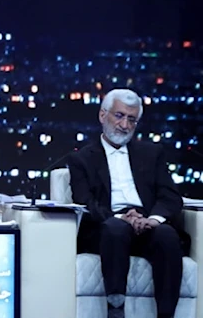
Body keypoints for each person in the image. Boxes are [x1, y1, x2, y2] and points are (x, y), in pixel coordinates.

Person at [67, 89, 189, 318]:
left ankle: (167, 315)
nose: (124, 125)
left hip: (146, 224)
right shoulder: (81, 159)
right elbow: (84, 201)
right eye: (119, 116)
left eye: (131, 119)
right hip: (107, 228)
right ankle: (116, 310)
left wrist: (152, 219)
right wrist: (123, 218)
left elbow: (171, 196)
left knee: (167, 235)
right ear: (103, 116)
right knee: (116, 229)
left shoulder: (152, 153)